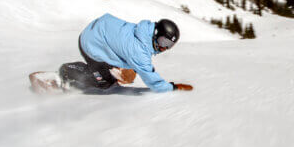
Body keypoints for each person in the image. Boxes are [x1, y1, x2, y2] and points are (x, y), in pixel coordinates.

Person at [59, 13, 193, 92]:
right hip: (90, 43)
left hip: (99, 31)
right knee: (106, 83)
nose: (164, 48)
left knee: (130, 72)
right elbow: (154, 83)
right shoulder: (139, 51)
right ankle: (70, 70)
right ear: (156, 34)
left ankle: (111, 66)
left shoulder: (144, 32)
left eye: (169, 45)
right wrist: (173, 88)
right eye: (163, 42)